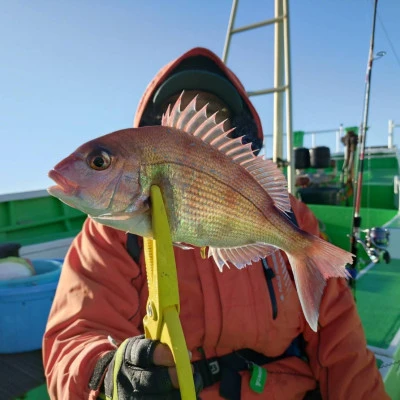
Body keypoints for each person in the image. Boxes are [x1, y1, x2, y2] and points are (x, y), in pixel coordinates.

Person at [42, 47, 389, 400]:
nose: (198, 137)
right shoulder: (109, 233)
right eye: (100, 163)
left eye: (216, 124)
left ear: (239, 137)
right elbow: (74, 335)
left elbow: (341, 343)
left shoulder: (293, 218)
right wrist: (105, 372)